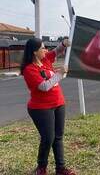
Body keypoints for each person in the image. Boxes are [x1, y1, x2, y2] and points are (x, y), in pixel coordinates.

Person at [20, 38, 76, 175]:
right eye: (42, 48)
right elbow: (44, 86)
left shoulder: (45, 59)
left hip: (58, 103)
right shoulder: (29, 69)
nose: (45, 50)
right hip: (40, 108)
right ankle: (41, 167)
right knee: (48, 138)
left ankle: (60, 168)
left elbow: (57, 51)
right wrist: (60, 74)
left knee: (58, 137)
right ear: (34, 52)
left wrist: (63, 44)